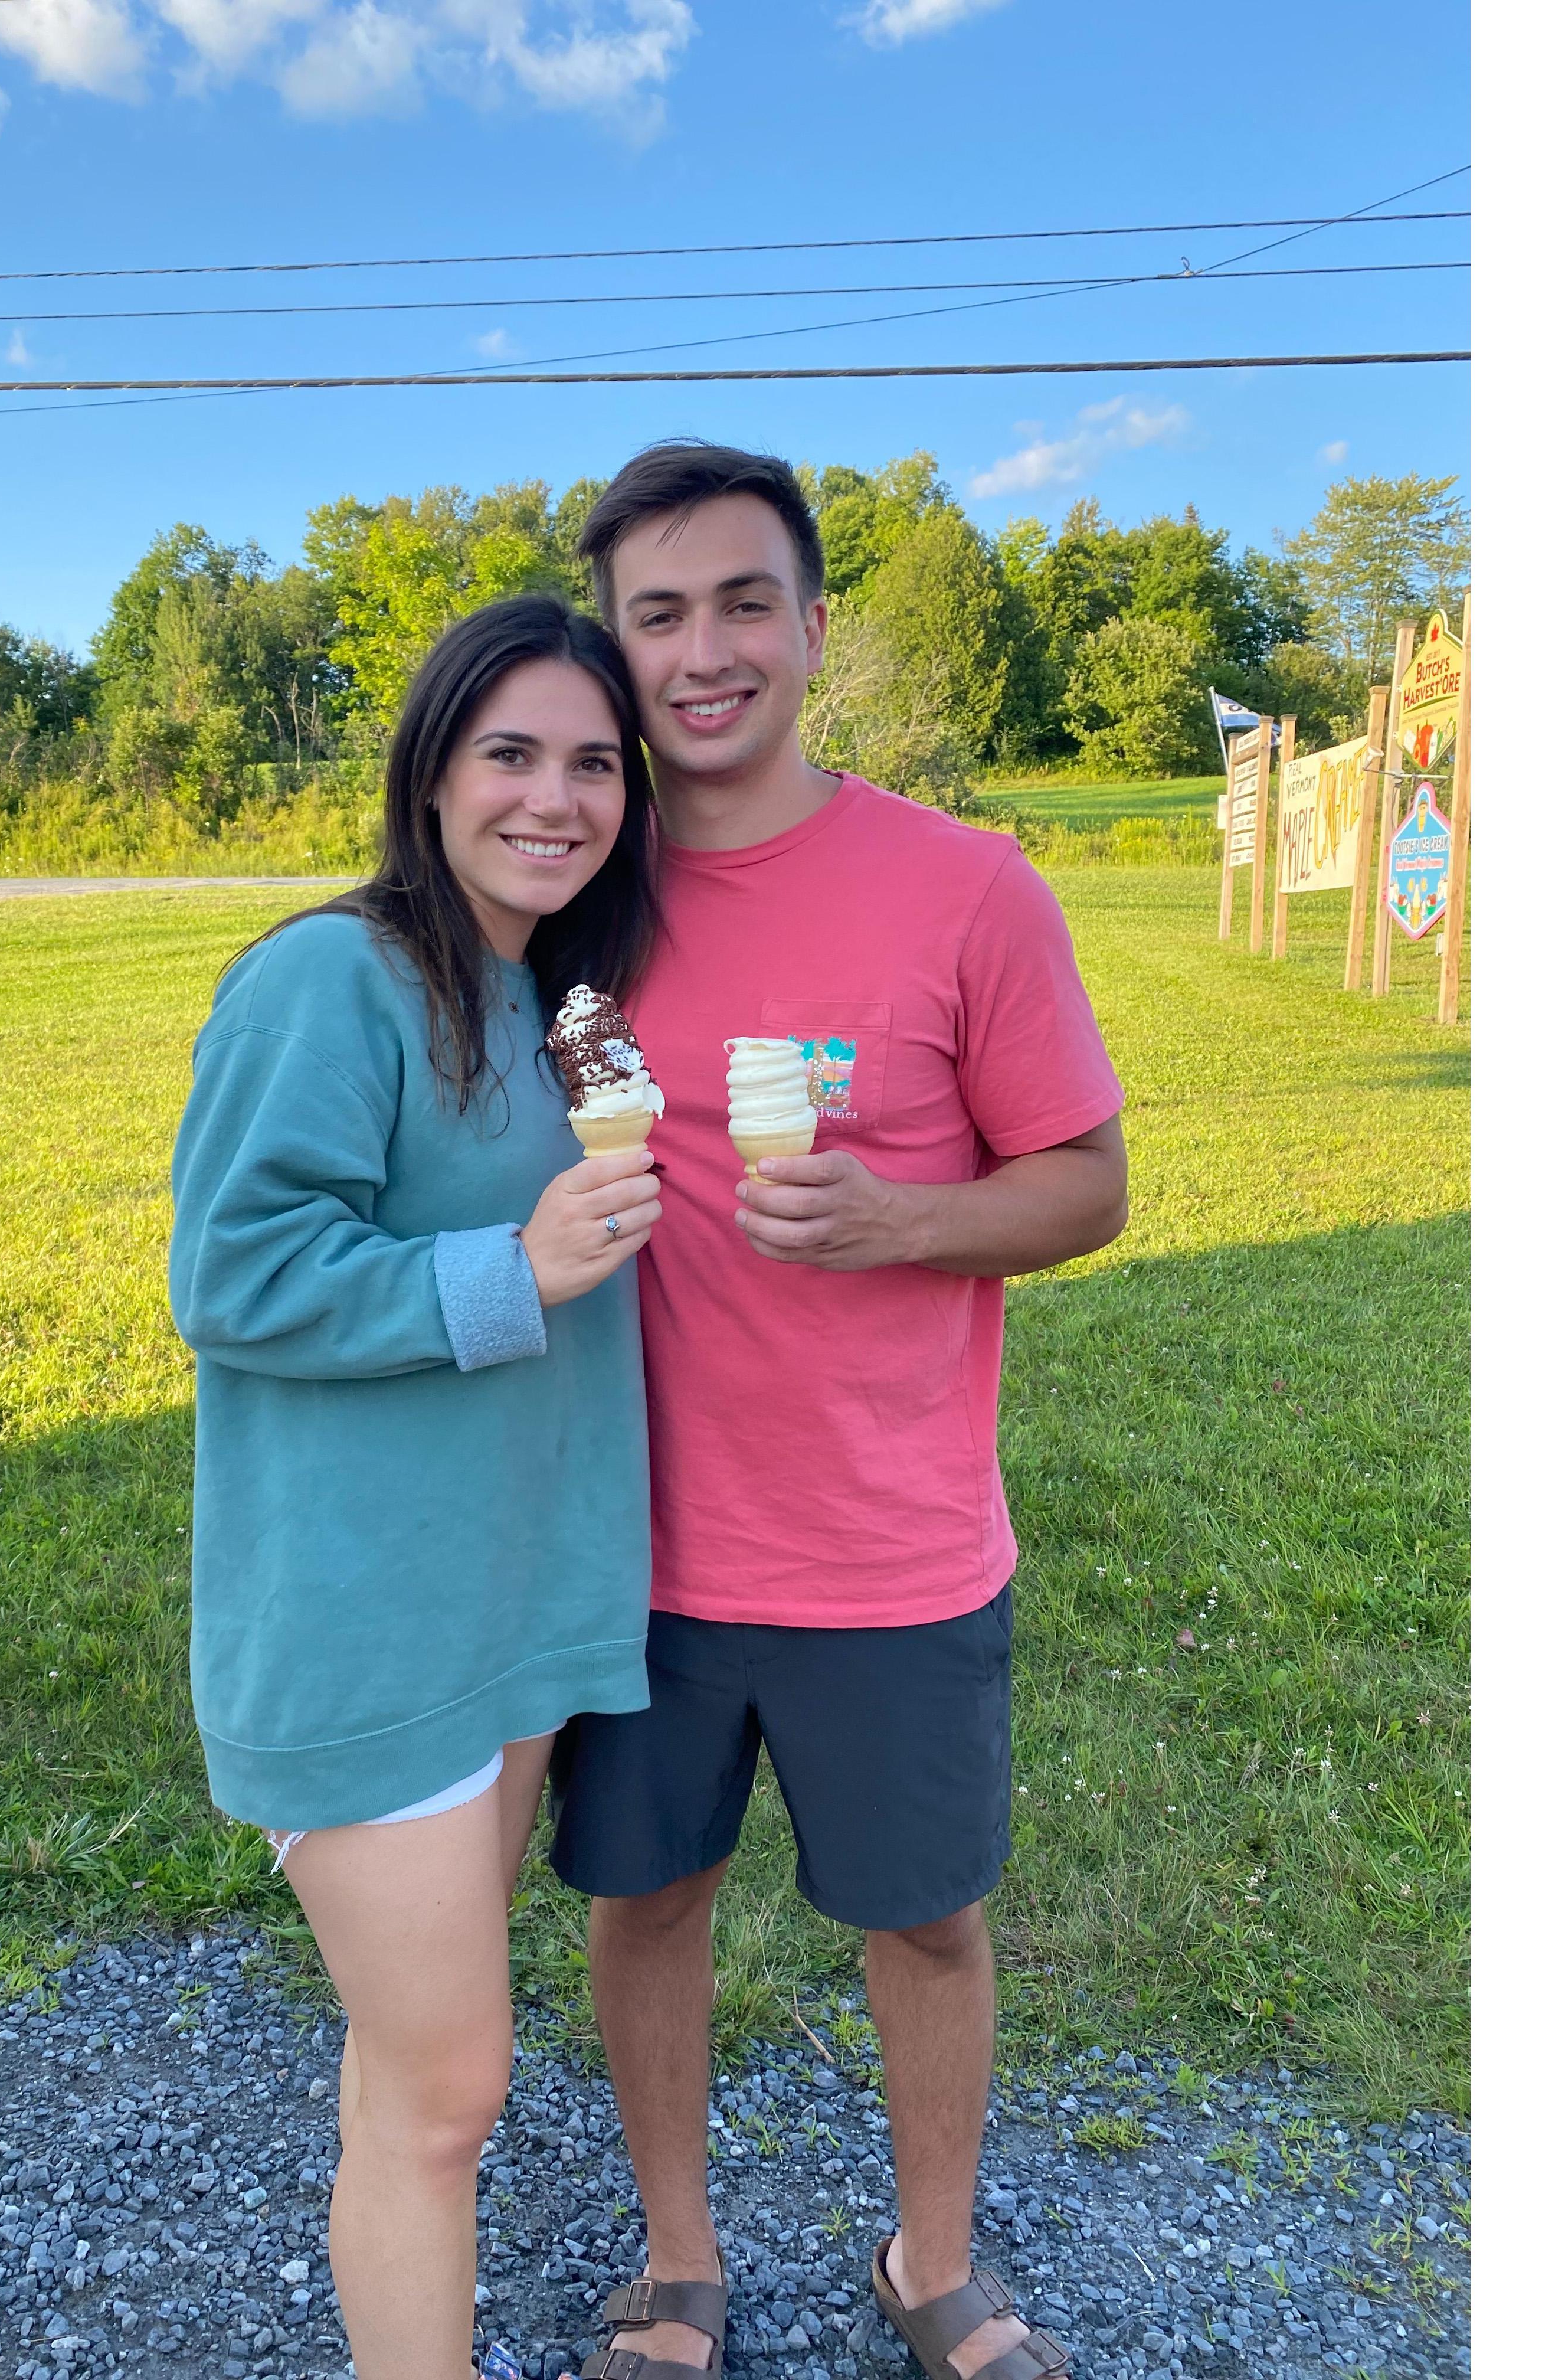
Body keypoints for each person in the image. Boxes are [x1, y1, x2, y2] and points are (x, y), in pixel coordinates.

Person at [549, 445, 1130, 2380]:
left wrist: (906, 1217)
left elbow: (1088, 1183)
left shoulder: (966, 884)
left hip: (893, 1545)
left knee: (931, 1926)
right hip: (631, 1541)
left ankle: (936, 2264)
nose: (700, 652)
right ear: (616, 649)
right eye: (656, 615)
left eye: (738, 604)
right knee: (648, 1906)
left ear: (808, 624)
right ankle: (680, 2263)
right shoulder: (570, 893)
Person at [168, 595, 667, 2380]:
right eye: (512, 754)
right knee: (451, 2095)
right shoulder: (333, 977)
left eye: (595, 762)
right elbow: (232, 1273)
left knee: (403, 2076)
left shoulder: (556, 1001)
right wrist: (504, 1273)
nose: (557, 796)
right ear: (433, 774)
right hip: (369, 1631)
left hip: (513, 1604)